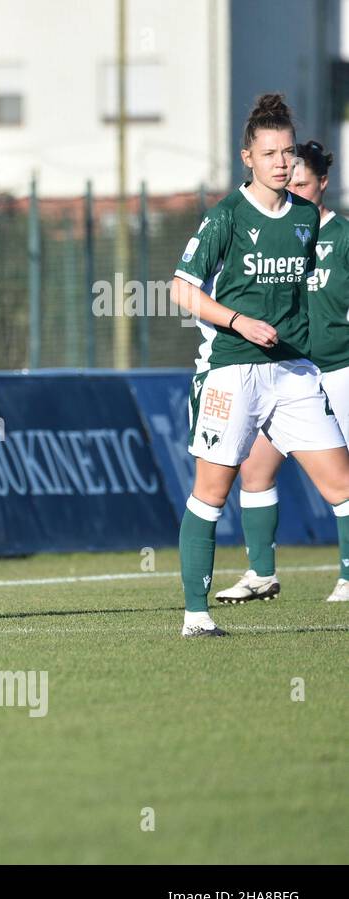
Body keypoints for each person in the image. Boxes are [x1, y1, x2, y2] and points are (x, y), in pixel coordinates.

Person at [169, 93, 349, 636]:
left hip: (294, 371)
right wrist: (237, 322)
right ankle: (196, 617)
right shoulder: (226, 216)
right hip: (234, 370)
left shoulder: (303, 218)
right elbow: (181, 290)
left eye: (287, 153)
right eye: (269, 153)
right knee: (213, 492)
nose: (280, 162)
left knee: (341, 484)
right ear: (247, 156)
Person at [216, 139, 349, 604]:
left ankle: (348, 575)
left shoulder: (340, 235)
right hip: (291, 370)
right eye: (287, 179)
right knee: (254, 468)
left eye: (303, 182)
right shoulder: (276, 228)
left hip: (340, 370)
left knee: (341, 481)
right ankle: (261, 573)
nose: (292, 187)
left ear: (323, 184)